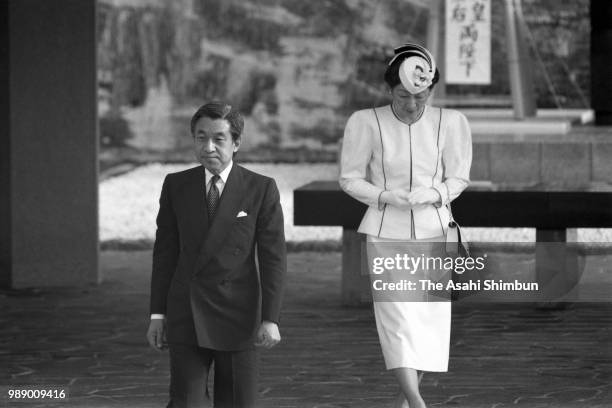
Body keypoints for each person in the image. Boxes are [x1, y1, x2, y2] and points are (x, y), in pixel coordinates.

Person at [339, 43, 472, 408]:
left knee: (427, 321)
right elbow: (350, 178)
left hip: (435, 232)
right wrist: (385, 197)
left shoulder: (452, 122)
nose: (412, 104)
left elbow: (460, 177)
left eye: (421, 95)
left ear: (431, 90)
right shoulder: (365, 122)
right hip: (385, 233)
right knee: (396, 317)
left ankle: (404, 402)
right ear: (388, 89)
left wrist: (435, 192)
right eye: (402, 96)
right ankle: (416, 402)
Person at [146, 101, 286, 408]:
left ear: (236, 143)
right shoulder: (176, 185)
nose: (208, 147)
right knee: (186, 402)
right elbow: (165, 255)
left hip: (238, 314)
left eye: (218, 138)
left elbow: (273, 258)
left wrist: (270, 318)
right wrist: (158, 314)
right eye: (200, 137)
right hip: (186, 313)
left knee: (239, 402)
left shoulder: (260, 188)